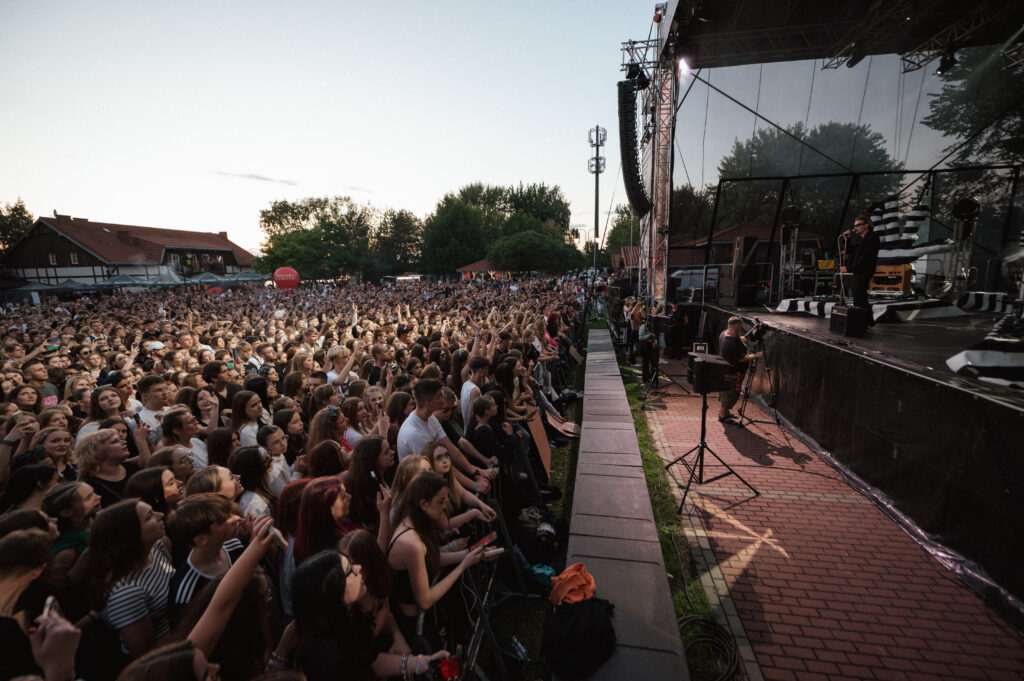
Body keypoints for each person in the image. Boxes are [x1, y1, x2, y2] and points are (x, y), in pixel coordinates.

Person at [87, 498, 174, 659]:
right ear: (129, 536)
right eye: (149, 516)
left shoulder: (155, 548)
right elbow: (146, 655)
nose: (160, 515)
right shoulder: (127, 593)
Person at [717, 316, 759, 424]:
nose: (740, 329)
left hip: (726, 370)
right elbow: (742, 358)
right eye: (739, 327)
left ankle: (725, 412)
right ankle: (723, 416)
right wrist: (755, 355)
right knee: (731, 393)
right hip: (734, 372)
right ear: (734, 326)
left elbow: (737, 340)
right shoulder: (732, 342)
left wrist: (745, 338)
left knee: (726, 392)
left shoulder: (724, 334)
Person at [840, 214, 880, 323]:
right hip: (859, 270)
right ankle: (868, 321)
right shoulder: (861, 239)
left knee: (859, 296)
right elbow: (851, 252)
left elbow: (864, 257)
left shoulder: (872, 238)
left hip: (864, 270)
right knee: (859, 296)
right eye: (855, 225)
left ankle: (863, 321)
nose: (855, 228)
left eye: (858, 225)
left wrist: (849, 268)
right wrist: (846, 240)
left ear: (866, 225)